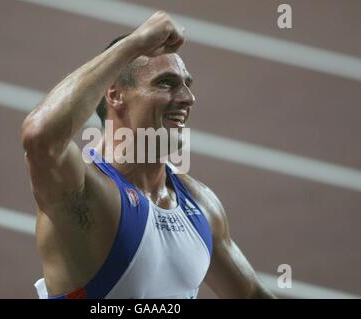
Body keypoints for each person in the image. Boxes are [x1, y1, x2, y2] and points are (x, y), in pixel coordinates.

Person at [22, 11, 275, 299]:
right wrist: (134, 44)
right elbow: (39, 134)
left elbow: (252, 294)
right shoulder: (84, 194)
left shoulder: (201, 205)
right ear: (115, 95)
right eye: (166, 83)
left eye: (186, 85)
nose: (187, 98)